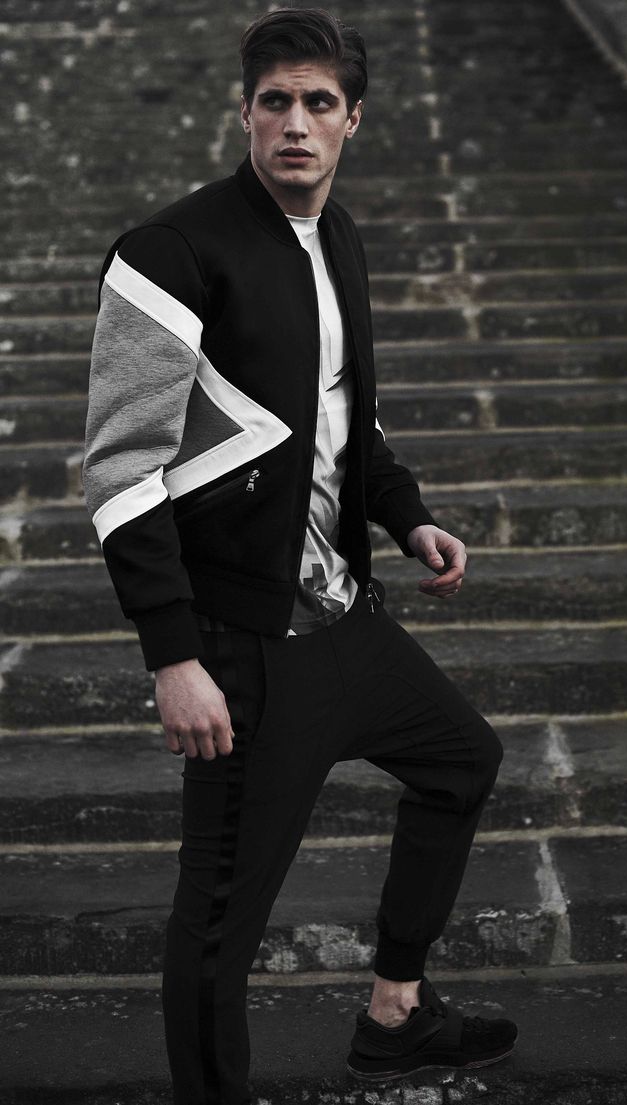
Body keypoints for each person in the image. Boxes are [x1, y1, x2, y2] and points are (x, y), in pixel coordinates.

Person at [82, 7, 518, 1102]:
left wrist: (406, 515)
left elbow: (344, 421)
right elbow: (121, 469)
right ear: (244, 113)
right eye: (274, 101)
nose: (295, 122)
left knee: (462, 761)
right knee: (220, 925)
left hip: (344, 622)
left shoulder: (340, 239)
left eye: (318, 103)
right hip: (244, 650)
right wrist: (173, 654)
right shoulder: (168, 253)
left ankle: (395, 1014)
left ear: (351, 120)